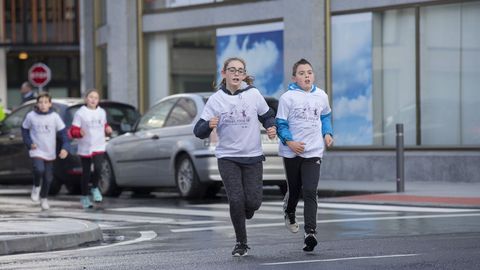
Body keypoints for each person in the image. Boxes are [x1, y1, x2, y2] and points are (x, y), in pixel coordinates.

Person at [193, 57, 277, 257]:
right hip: (227, 157)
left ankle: (246, 210)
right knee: (236, 199)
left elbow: (267, 114)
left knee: (254, 202)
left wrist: (270, 126)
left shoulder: (253, 94)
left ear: (244, 75)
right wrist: (209, 125)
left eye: (241, 70)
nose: (237, 74)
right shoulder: (216, 99)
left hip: (253, 156)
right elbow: (199, 130)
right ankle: (241, 242)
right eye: (232, 70)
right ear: (224, 73)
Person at [276, 58, 334, 252]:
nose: (306, 76)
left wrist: (328, 133)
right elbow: (281, 124)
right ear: (295, 77)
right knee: (294, 189)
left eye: (309, 72)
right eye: (302, 73)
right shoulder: (288, 98)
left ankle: (310, 233)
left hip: (314, 151)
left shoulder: (321, 96)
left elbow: (325, 116)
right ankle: (289, 211)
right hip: (292, 152)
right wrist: (290, 142)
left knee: (310, 190)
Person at [21, 93, 70, 210]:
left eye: (45, 102)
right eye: (41, 102)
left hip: (49, 151)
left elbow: (64, 134)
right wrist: (29, 143)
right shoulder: (31, 116)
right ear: (37, 104)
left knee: (48, 178)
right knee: (39, 169)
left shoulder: (54, 117)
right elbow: (24, 130)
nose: (43, 105)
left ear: (50, 104)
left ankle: (44, 198)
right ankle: (36, 186)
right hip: (36, 150)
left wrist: (65, 148)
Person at [69, 89, 112, 209]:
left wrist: (108, 129)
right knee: (86, 173)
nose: (93, 99)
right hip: (86, 146)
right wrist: (79, 133)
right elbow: (73, 130)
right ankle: (84, 197)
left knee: (98, 168)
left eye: (96, 98)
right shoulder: (80, 113)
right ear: (86, 99)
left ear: (98, 100)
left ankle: (94, 188)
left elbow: (104, 125)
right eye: (91, 97)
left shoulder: (102, 112)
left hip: (99, 144)